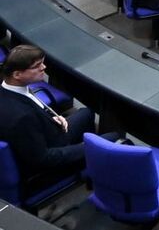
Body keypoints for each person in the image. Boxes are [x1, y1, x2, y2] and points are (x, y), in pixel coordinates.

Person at [0, 45, 97, 191]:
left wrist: (54, 116)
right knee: (112, 138)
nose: (44, 67)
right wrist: (85, 148)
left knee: (87, 113)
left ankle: (89, 168)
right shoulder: (22, 117)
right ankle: (90, 163)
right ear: (17, 74)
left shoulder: (10, 88)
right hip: (46, 157)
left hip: (47, 131)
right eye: (37, 66)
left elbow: (33, 104)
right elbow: (43, 159)